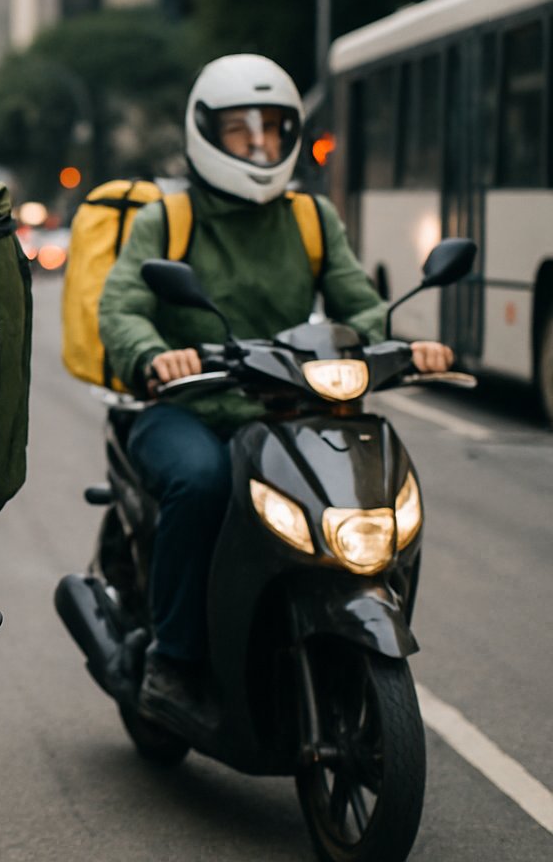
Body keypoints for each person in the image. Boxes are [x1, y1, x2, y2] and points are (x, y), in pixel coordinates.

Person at [97, 53, 454, 731]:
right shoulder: (167, 220)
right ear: (206, 132)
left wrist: (406, 345)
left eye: (272, 130)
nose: (259, 145)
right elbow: (122, 308)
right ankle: (172, 659)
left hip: (293, 411)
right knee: (202, 484)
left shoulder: (311, 217)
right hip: (190, 409)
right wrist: (153, 355)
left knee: (363, 485)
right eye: (241, 132)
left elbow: (360, 304)